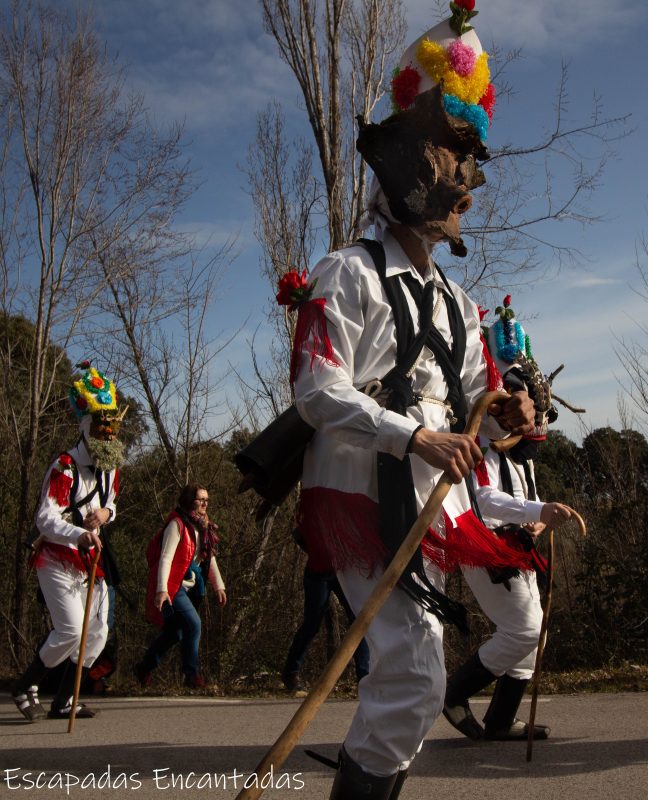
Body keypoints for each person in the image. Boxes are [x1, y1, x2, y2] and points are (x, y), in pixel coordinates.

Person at [286, 4, 536, 795]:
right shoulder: (345, 274)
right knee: (410, 680)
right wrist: (408, 436)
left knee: (414, 682)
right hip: (360, 495)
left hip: (427, 503)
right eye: (451, 161)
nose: (468, 185)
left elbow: (472, 399)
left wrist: (505, 411)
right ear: (410, 169)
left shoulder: (459, 306)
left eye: (469, 164)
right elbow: (315, 389)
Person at [443, 296, 573, 741]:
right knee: (525, 628)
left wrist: (537, 518)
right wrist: (538, 511)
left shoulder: (520, 454)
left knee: (529, 633)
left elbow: (520, 495)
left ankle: (501, 720)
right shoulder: (477, 437)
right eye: (525, 410)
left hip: (518, 544)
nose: (535, 423)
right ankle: (453, 692)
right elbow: (483, 499)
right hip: (486, 544)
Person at [11, 361, 126, 721]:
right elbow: (45, 518)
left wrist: (106, 515)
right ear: (87, 429)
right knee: (71, 629)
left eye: (111, 431)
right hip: (58, 559)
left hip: (91, 562)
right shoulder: (64, 467)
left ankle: (64, 700)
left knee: (96, 633)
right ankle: (26, 685)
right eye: (101, 430)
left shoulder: (111, 467)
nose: (108, 438)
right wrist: (81, 533)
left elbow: (112, 504)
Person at [136, 484, 226, 689]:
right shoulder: (176, 525)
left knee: (175, 633)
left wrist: (218, 586)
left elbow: (208, 557)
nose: (204, 503)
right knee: (194, 624)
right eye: (200, 499)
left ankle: (144, 667)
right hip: (172, 586)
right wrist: (161, 591)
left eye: (206, 500)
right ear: (188, 500)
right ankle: (191, 675)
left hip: (186, 587)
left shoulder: (203, 526)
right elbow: (165, 559)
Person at [282, 531, 370, 694]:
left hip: (345, 570)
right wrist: (318, 552)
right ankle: (290, 673)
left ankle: (364, 676)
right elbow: (298, 533)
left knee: (359, 621)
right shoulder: (315, 508)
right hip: (319, 571)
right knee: (312, 623)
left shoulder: (347, 510)